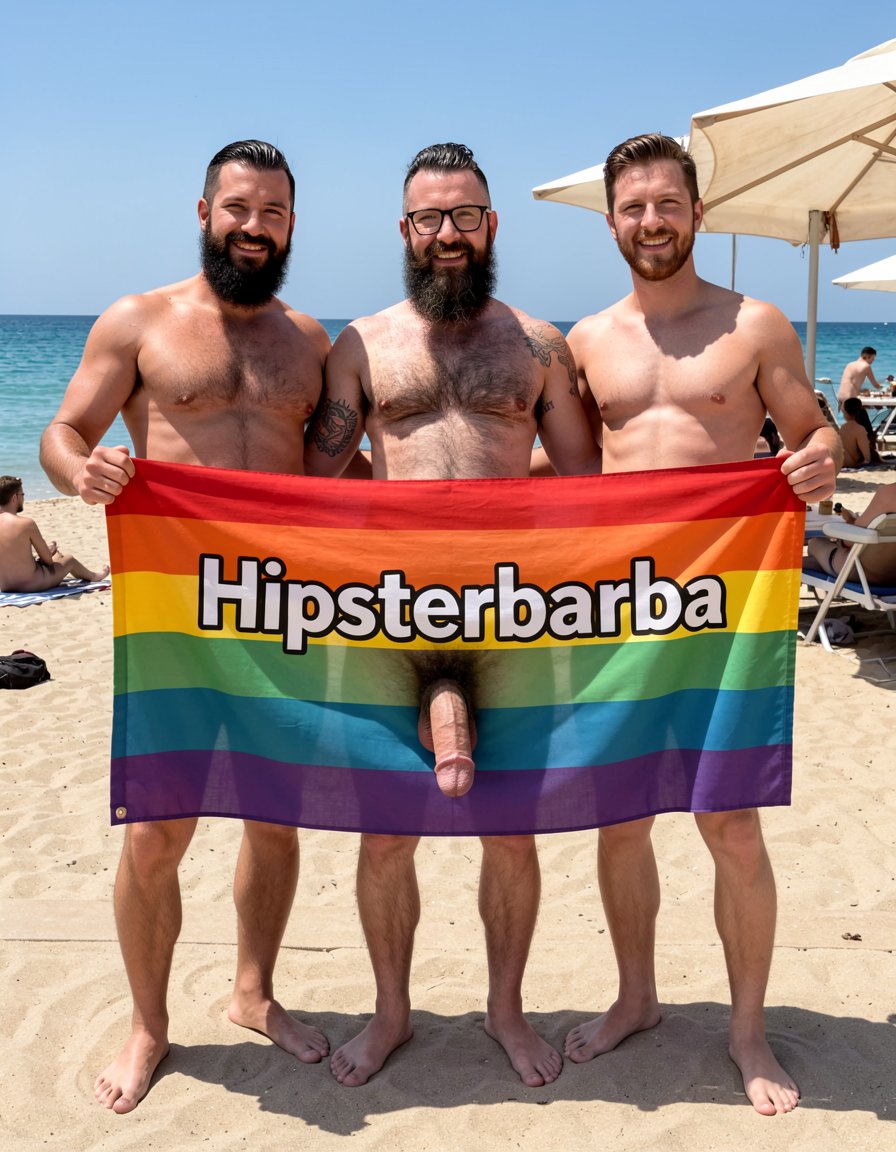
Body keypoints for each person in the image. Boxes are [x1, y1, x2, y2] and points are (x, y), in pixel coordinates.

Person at [39, 140, 330, 1113]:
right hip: (172, 615)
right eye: (239, 208)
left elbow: (342, 475)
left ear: (293, 224)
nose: (255, 227)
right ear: (203, 210)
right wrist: (83, 471)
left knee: (276, 821)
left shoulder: (310, 340)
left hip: (285, 613)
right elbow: (63, 431)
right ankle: (149, 1024)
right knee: (157, 832)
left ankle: (254, 992)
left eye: (274, 213)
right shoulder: (139, 321)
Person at [304, 142, 599, 1088]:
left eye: (464, 216)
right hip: (391, 610)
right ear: (404, 230)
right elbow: (319, 475)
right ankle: (392, 1014)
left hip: (514, 608)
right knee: (386, 829)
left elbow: (585, 475)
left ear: (492, 225)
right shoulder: (361, 343)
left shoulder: (538, 343)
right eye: (429, 218)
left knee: (510, 828)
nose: (446, 235)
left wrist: (493, 507)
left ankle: (504, 1011)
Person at [563, 134, 840, 1116]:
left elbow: (814, 434)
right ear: (610, 222)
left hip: (724, 605)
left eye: (665, 204)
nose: (649, 221)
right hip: (614, 613)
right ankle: (635, 997)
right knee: (619, 814)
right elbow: (554, 479)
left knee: (726, 819)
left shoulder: (754, 326)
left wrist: (814, 458)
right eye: (631, 206)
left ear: (696, 213)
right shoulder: (584, 341)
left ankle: (746, 1029)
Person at [0, 475, 109, 592]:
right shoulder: (26, 524)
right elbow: (48, 560)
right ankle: (94, 577)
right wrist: (49, 552)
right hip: (31, 584)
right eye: (22, 495)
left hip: (6, 586)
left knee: (56, 555)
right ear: (14, 498)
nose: (23, 498)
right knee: (69, 560)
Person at [808, 482, 896, 584]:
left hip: (863, 574)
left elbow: (849, 542)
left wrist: (849, 524)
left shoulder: (890, 493)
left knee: (816, 543)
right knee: (813, 562)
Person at [838, 347, 882, 463]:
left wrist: (862, 390)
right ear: (867, 356)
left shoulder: (850, 364)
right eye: (873, 358)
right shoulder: (866, 366)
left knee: (856, 427)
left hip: (842, 398)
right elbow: (876, 384)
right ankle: (868, 455)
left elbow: (851, 383)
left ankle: (857, 454)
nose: (872, 361)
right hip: (851, 400)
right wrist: (884, 385)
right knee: (866, 429)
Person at [839, 397, 873, 468]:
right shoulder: (860, 429)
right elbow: (867, 459)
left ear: (846, 413)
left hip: (842, 460)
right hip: (848, 462)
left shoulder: (843, 427)